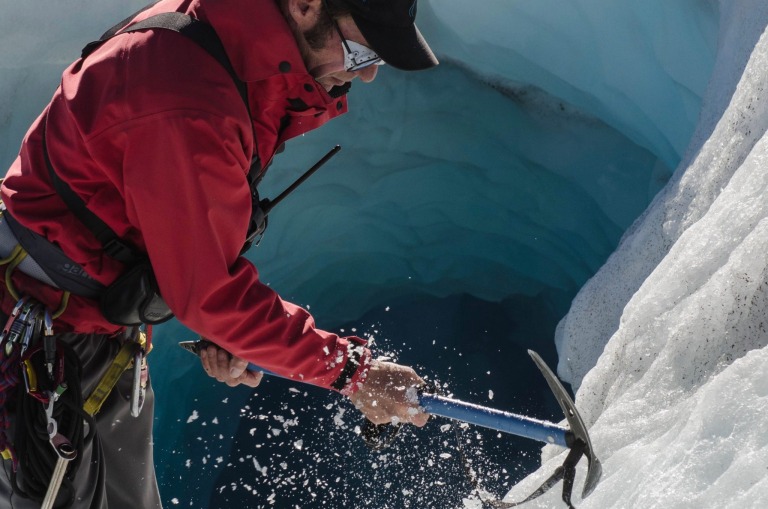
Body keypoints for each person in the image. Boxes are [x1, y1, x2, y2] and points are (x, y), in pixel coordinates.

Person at [0, 0, 438, 506]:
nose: (367, 77)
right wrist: (352, 372)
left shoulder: (219, 39)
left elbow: (180, 242)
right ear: (304, 7)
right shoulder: (188, 101)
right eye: (363, 52)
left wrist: (229, 330)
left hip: (85, 322)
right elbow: (209, 294)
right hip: (44, 336)